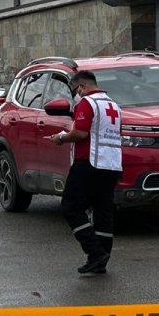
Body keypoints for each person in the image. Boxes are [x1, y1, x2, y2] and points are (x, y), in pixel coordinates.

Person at [50, 70, 122, 275]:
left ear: (81, 86)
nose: (75, 95)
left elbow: (81, 133)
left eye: (75, 90)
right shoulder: (113, 105)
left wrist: (61, 137)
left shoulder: (87, 103)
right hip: (112, 165)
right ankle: (101, 259)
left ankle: (94, 251)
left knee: (70, 207)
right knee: (103, 210)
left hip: (89, 163)